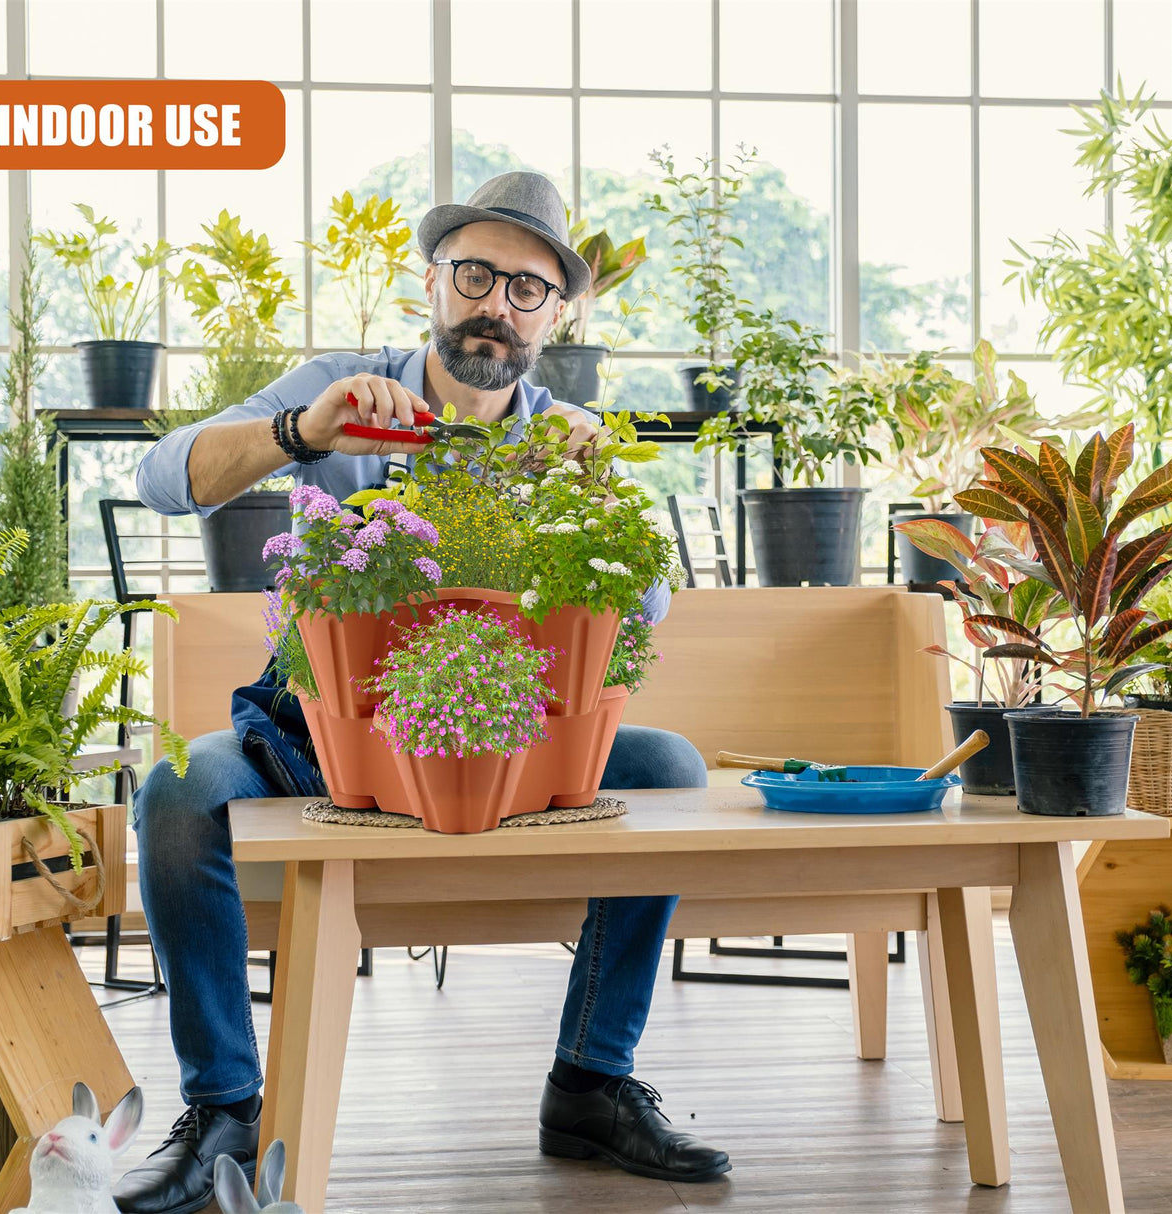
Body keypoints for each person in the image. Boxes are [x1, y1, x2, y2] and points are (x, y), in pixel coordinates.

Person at [114, 172, 729, 1214]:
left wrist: (590, 488)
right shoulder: (342, 388)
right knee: (177, 789)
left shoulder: (563, 432)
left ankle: (588, 1082)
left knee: (667, 769)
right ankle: (222, 1108)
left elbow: (652, 605)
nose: (496, 302)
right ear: (434, 281)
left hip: (505, 740)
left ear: (556, 312)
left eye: (525, 287)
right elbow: (162, 476)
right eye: (475, 273)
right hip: (319, 733)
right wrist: (303, 432)